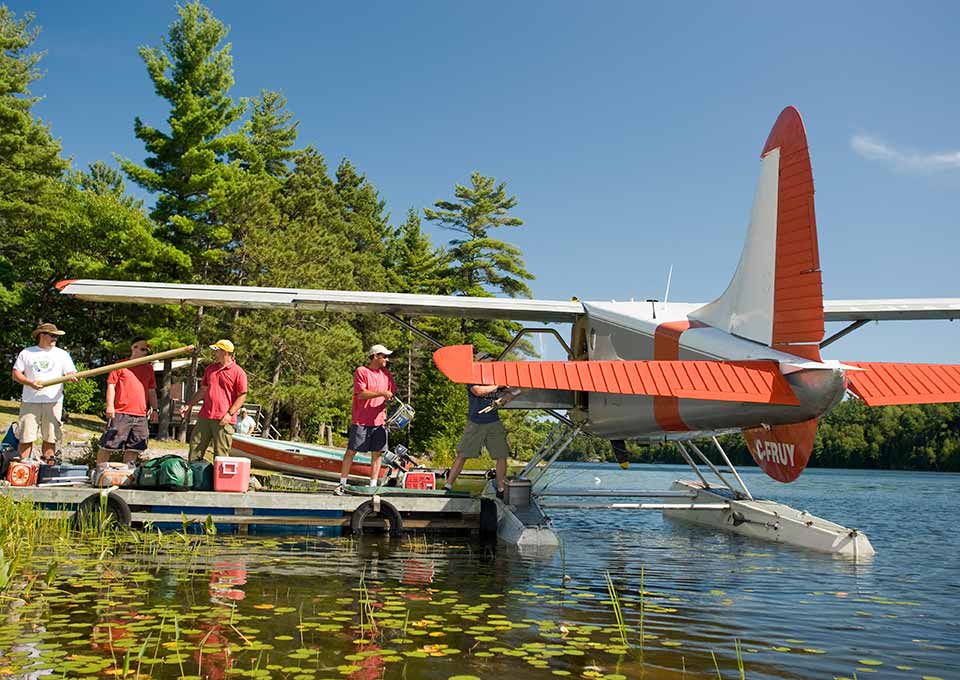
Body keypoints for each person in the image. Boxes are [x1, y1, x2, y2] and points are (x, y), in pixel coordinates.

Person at [11, 322, 78, 463]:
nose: (55, 338)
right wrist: (30, 383)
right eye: (52, 335)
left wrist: (72, 376)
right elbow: (16, 374)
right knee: (26, 435)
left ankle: (48, 465)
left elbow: (71, 372)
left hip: (54, 401)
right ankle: (25, 466)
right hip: (30, 400)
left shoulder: (62, 354)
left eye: (56, 336)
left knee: (50, 436)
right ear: (42, 335)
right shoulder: (27, 352)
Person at [336, 344, 397, 493]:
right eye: (384, 356)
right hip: (361, 420)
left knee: (377, 454)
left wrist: (389, 397)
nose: (387, 359)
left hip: (379, 421)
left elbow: (391, 394)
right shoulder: (361, 371)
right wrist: (382, 393)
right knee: (351, 451)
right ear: (375, 356)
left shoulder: (387, 374)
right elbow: (361, 394)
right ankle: (342, 484)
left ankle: (373, 486)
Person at [179, 339, 248, 461]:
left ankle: (218, 480)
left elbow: (242, 396)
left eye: (216, 351)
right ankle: (195, 478)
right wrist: (189, 405)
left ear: (225, 352)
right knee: (195, 448)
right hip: (205, 416)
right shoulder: (210, 369)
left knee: (221, 455)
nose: (214, 354)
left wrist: (229, 414)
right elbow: (203, 390)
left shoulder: (238, 372)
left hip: (224, 420)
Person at [98, 338, 158, 465]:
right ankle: (100, 470)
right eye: (140, 348)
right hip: (121, 412)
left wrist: (155, 410)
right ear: (133, 347)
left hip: (141, 414)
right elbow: (111, 386)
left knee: (135, 446)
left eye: (145, 350)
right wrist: (110, 406)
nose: (142, 351)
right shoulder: (120, 365)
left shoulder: (149, 369)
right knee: (109, 444)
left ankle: (127, 473)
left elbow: (152, 391)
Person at [443, 383, 510, 497]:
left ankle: (501, 489)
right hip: (475, 422)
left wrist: (503, 399)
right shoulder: (473, 378)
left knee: (502, 455)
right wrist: (498, 386)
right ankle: (448, 486)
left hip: (494, 421)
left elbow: (512, 393)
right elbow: (478, 391)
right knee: (462, 454)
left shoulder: (494, 378)